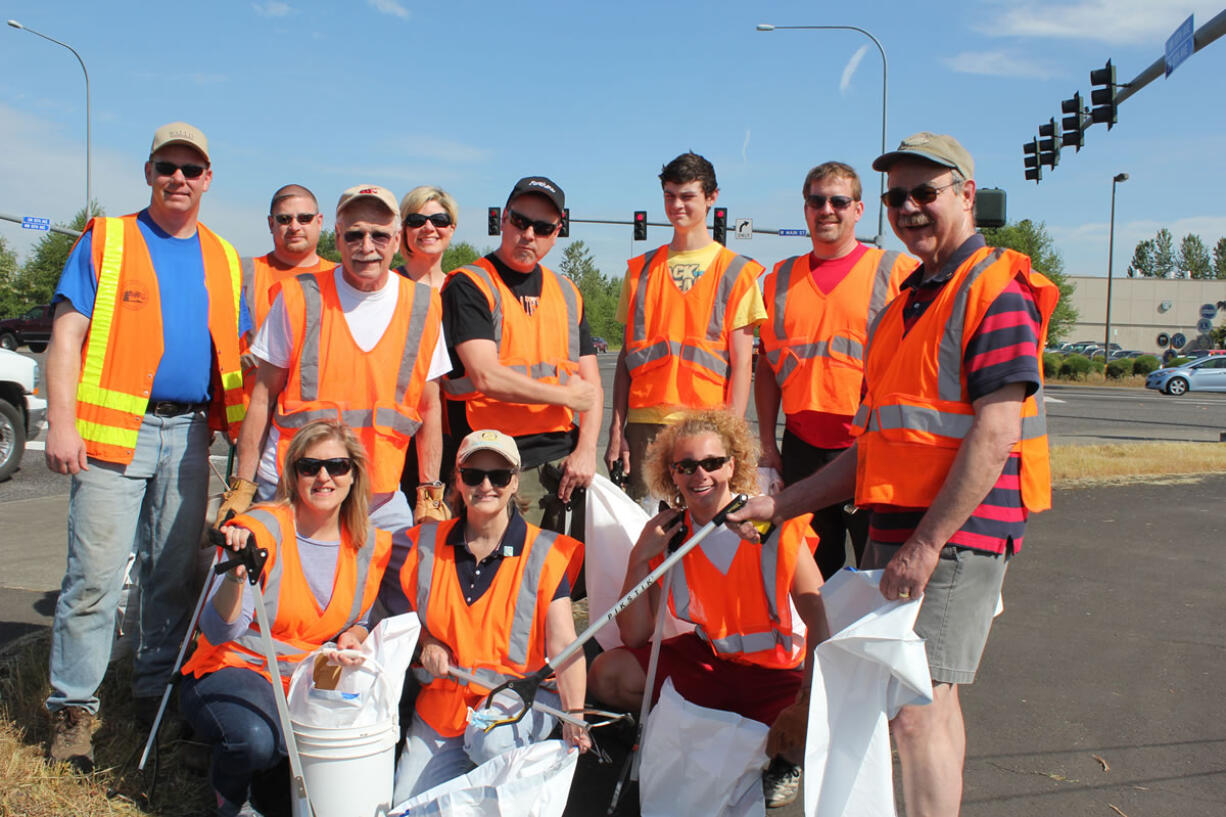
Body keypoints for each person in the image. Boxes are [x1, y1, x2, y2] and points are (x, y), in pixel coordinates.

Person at [729, 132, 1059, 817]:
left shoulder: (994, 289)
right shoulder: (909, 301)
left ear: (967, 195)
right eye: (897, 196)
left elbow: (995, 432)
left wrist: (927, 542)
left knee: (913, 707)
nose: (909, 207)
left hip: (955, 532)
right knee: (931, 700)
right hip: (897, 522)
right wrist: (782, 504)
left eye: (926, 192)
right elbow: (872, 449)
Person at [42, 121, 249, 770]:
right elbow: (66, 338)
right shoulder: (107, 240)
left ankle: (154, 700)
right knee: (95, 580)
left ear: (208, 179)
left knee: (171, 578)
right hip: (110, 437)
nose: (179, 179)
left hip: (190, 436)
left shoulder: (223, 256)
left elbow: (237, 356)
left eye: (192, 170)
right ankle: (73, 713)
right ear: (148, 172)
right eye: (168, 167)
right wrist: (61, 421)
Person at [588, 410, 829, 809]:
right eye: (686, 466)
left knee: (821, 728)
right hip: (712, 664)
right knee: (607, 674)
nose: (700, 475)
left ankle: (781, 756)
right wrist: (637, 559)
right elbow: (633, 635)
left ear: (732, 464)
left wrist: (807, 698)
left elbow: (820, 613)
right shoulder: (670, 535)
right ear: (673, 473)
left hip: (779, 673)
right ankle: (706, 725)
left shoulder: (774, 523)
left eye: (712, 463)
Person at [181, 419, 391, 817]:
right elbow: (219, 629)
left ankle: (267, 775)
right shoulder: (260, 529)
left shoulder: (370, 542)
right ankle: (231, 796)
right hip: (236, 668)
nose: (324, 477)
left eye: (337, 467)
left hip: (309, 678)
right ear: (293, 475)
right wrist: (237, 579)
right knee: (257, 740)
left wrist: (357, 633)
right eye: (309, 467)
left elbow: (359, 614)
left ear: (354, 475)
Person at [226, 184, 450, 533]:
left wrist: (430, 491)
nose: (366, 248)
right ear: (338, 236)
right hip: (296, 483)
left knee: (398, 582)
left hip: (379, 495)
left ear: (395, 239)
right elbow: (263, 395)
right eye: (355, 235)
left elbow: (430, 406)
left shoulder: (423, 306)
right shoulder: (298, 297)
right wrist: (244, 482)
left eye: (378, 236)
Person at [391, 429, 590, 802]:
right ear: (458, 480)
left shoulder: (544, 553)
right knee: (406, 806)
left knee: (489, 743)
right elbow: (406, 620)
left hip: (515, 700)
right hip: (444, 706)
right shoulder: (425, 544)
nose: (486, 485)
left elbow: (565, 643)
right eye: (473, 475)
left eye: (498, 476)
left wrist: (574, 715)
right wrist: (429, 643)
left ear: (515, 482)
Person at [756, 161, 918, 578]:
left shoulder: (897, 273)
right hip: (801, 449)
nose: (827, 209)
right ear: (805, 208)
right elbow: (769, 368)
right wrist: (768, 445)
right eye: (816, 200)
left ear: (858, 210)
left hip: (868, 450)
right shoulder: (779, 280)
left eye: (838, 201)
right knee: (806, 574)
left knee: (874, 575)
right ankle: (815, 646)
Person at [440, 177, 601, 530]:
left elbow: (591, 387)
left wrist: (587, 450)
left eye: (543, 227)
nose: (529, 234)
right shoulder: (471, 284)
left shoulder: (567, 291)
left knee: (565, 576)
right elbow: (485, 375)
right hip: (493, 465)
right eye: (520, 221)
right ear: (503, 220)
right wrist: (565, 395)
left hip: (562, 461)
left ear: (557, 232)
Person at [606, 152, 766, 501]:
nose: (676, 205)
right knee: (649, 533)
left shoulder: (735, 272)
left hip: (705, 427)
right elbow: (625, 360)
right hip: (645, 427)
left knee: (702, 532)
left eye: (687, 196)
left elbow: (742, 367)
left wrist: (730, 440)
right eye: (669, 195)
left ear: (712, 198)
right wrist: (617, 429)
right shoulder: (640, 271)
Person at [393, 186, 459, 513]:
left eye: (439, 219)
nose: (429, 227)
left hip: (458, 432)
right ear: (403, 230)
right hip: (401, 434)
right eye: (417, 219)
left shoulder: (464, 290)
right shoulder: (388, 288)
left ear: (452, 227)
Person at [242, 184, 334, 334]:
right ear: (271, 224)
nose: (294, 227)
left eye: (304, 218)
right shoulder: (243, 274)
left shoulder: (341, 276)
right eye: (284, 219)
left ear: (319, 222)